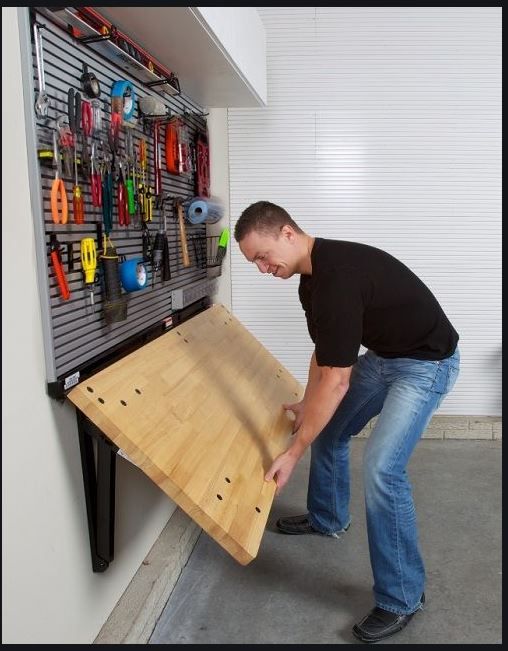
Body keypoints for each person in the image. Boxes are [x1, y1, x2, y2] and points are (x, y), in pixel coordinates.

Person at [234, 201, 460, 644]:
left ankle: (403, 597)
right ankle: (328, 517)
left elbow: (337, 381)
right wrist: (307, 401)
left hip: (426, 364)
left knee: (382, 469)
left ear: (287, 234)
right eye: (253, 263)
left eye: (262, 256)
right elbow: (325, 354)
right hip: (385, 357)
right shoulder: (310, 281)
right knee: (329, 429)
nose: (262, 269)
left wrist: (294, 451)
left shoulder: (339, 277)